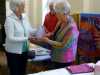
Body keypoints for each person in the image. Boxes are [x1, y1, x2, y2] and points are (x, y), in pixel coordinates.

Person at [30, 0, 79, 69]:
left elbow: (63, 45)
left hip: (65, 59)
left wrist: (47, 41)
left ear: (64, 13)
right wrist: (46, 36)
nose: (56, 15)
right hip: (56, 56)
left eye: (57, 13)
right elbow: (54, 33)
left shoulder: (72, 27)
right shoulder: (60, 21)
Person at [4, 0, 35, 75]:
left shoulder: (24, 17)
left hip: (24, 50)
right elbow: (10, 37)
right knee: (15, 72)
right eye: (22, 5)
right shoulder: (9, 20)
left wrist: (40, 30)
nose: (24, 6)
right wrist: (27, 38)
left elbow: (30, 30)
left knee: (22, 71)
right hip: (13, 52)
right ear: (16, 7)